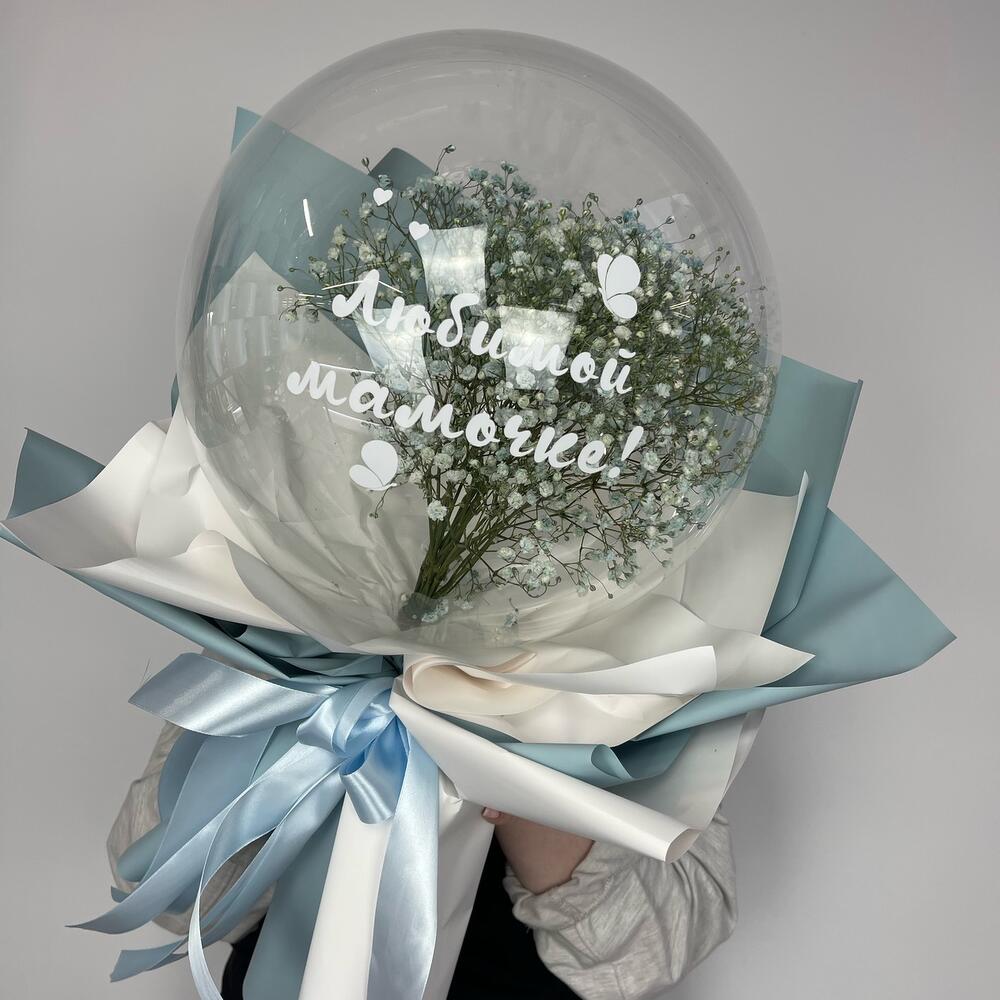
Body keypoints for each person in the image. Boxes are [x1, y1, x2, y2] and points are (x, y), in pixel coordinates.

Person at [109, 724, 738, 1000]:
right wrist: (307, 717)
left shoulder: (643, 650)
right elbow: (165, 888)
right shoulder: (281, 624)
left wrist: (512, 754)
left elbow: (646, 954)